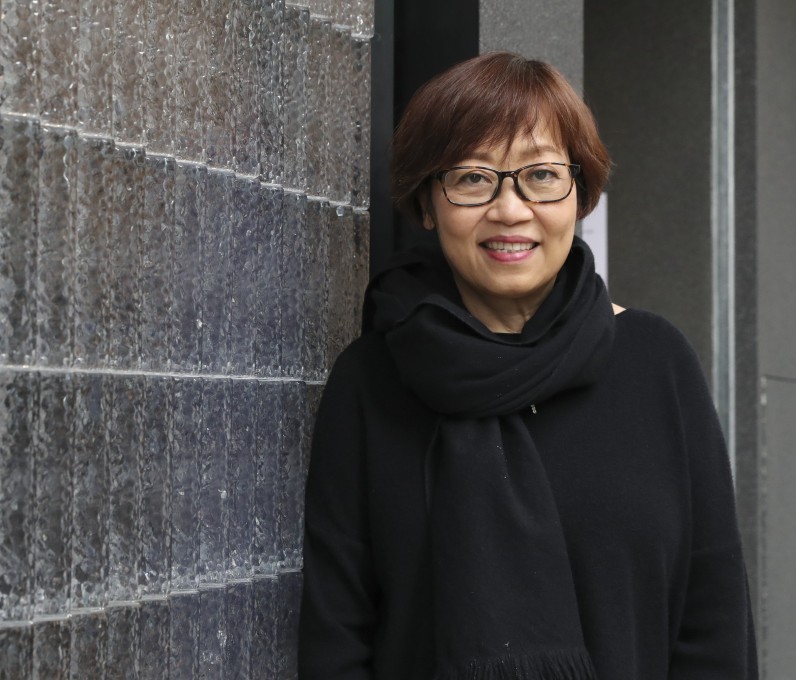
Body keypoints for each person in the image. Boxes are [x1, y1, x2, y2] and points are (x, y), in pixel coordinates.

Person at [298, 52, 757, 680]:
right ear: (428, 204)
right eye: (472, 177)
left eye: (541, 175)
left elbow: (714, 624)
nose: (510, 209)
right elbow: (337, 637)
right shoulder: (373, 381)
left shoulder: (656, 363)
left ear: (581, 195)